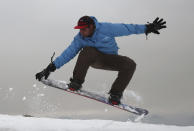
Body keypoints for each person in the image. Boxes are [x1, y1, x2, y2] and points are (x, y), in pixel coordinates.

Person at [35, 16, 166, 105]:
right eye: (79, 29)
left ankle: (115, 94)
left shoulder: (106, 28)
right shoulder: (79, 38)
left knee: (130, 64)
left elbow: (127, 28)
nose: (81, 31)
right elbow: (68, 53)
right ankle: (76, 82)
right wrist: (49, 68)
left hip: (110, 59)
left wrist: (147, 28)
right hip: (94, 59)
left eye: (84, 29)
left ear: (92, 26)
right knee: (87, 50)